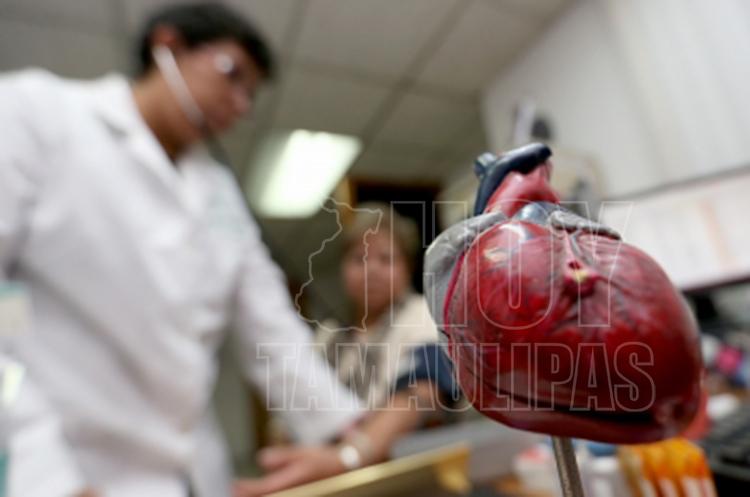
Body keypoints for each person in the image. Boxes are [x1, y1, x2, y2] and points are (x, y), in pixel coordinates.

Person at [0, 3, 370, 496]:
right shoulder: (36, 114)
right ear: (168, 46)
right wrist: (44, 470)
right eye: (231, 74)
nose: (240, 104)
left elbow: (271, 327)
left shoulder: (219, 192)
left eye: (250, 94)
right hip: (66, 466)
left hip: (195, 473)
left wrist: (346, 438)